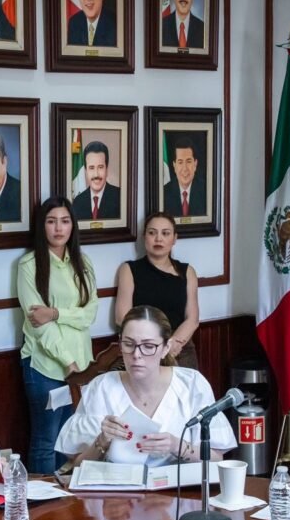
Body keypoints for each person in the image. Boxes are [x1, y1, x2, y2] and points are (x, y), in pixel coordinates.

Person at [56, 305, 235, 467]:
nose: (136, 355)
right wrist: (102, 441)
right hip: (117, 497)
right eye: (129, 344)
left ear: (166, 347)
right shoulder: (101, 388)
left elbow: (217, 459)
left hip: (179, 494)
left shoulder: (192, 384)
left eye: (148, 346)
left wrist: (176, 446)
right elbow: (77, 464)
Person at [17, 196, 97, 474]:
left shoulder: (82, 262)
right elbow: (39, 325)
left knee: (71, 440)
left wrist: (55, 312)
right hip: (46, 367)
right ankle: (41, 511)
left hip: (82, 365)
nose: (58, 228)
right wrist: (68, 362)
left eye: (64, 221)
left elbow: (90, 314)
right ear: (42, 227)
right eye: (51, 222)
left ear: (73, 225)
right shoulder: (29, 265)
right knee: (45, 440)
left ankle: (64, 508)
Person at [114, 212, 199, 368]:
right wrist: (151, 345)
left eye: (165, 233)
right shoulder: (129, 269)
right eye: (152, 233)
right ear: (144, 237)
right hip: (140, 347)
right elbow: (121, 317)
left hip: (179, 347)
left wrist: (172, 345)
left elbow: (192, 319)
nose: (158, 239)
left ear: (174, 239)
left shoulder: (187, 272)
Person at [70, 141, 121, 221]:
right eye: (91, 168)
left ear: (107, 170)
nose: (96, 174)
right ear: (86, 171)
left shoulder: (120, 197)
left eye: (100, 167)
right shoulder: (78, 202)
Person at [162, 136, 203, 218]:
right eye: (180, 162)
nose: (185, 168)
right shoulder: (164, 193)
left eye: (188, 161)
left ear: (195, 164)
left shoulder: (206, 191)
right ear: (174, 165)